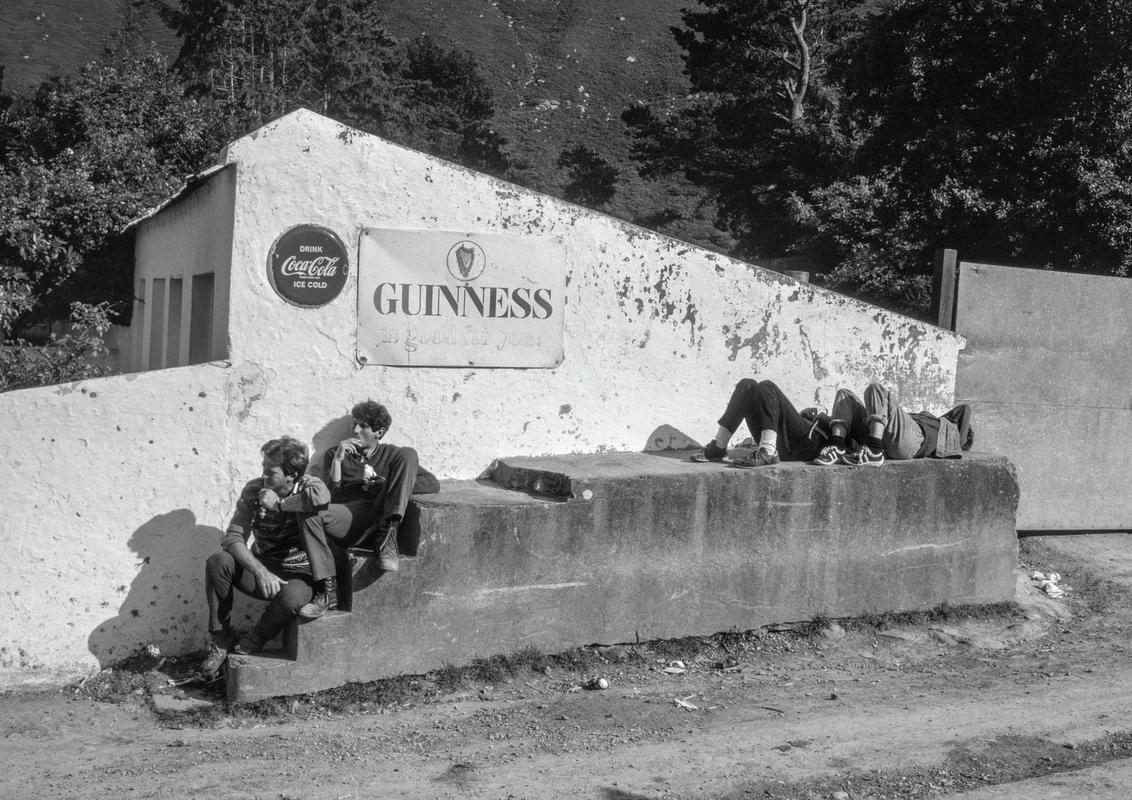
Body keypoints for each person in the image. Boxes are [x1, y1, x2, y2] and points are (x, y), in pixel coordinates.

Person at [295, 400, 440, 620]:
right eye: (355, 424)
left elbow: (431, 483)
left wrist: (386, 485)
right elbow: (330, 499)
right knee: (311, 514)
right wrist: (337, 462)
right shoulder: (336, 453)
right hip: (351, 515)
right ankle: (326, 591)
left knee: (408, 452)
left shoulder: (392, 454)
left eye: (362, 426)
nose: (355, 430)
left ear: (379, 432)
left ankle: (388, 535)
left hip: (382, 511)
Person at [201, 436, 332, 676]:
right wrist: (260, 571)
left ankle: (259, 635)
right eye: (263, 467)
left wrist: (280, 504)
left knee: (293, 597)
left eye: (270, 471)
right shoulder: (254, 489)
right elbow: (233, 537)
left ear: (291, 476)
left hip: (297, 575)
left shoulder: (307, 486)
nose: (263, 475)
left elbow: (322, 497)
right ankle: (221, 638)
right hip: (262, 569)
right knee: (218, 561)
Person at [811, 381, 974, 466]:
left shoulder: (949, 428)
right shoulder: (930, 419)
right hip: (889, 436)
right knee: (844, 394)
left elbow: (964, 409)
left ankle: (874, 451)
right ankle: (837, 445)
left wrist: (964, 436)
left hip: (913, 441)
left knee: (876, 389)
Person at [696, 378, 833, 466]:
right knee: (747, 385)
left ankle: (767, 451)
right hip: (782, 445)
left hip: (808, 444)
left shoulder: (846, 410)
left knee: (767, 387)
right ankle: (719, 446)